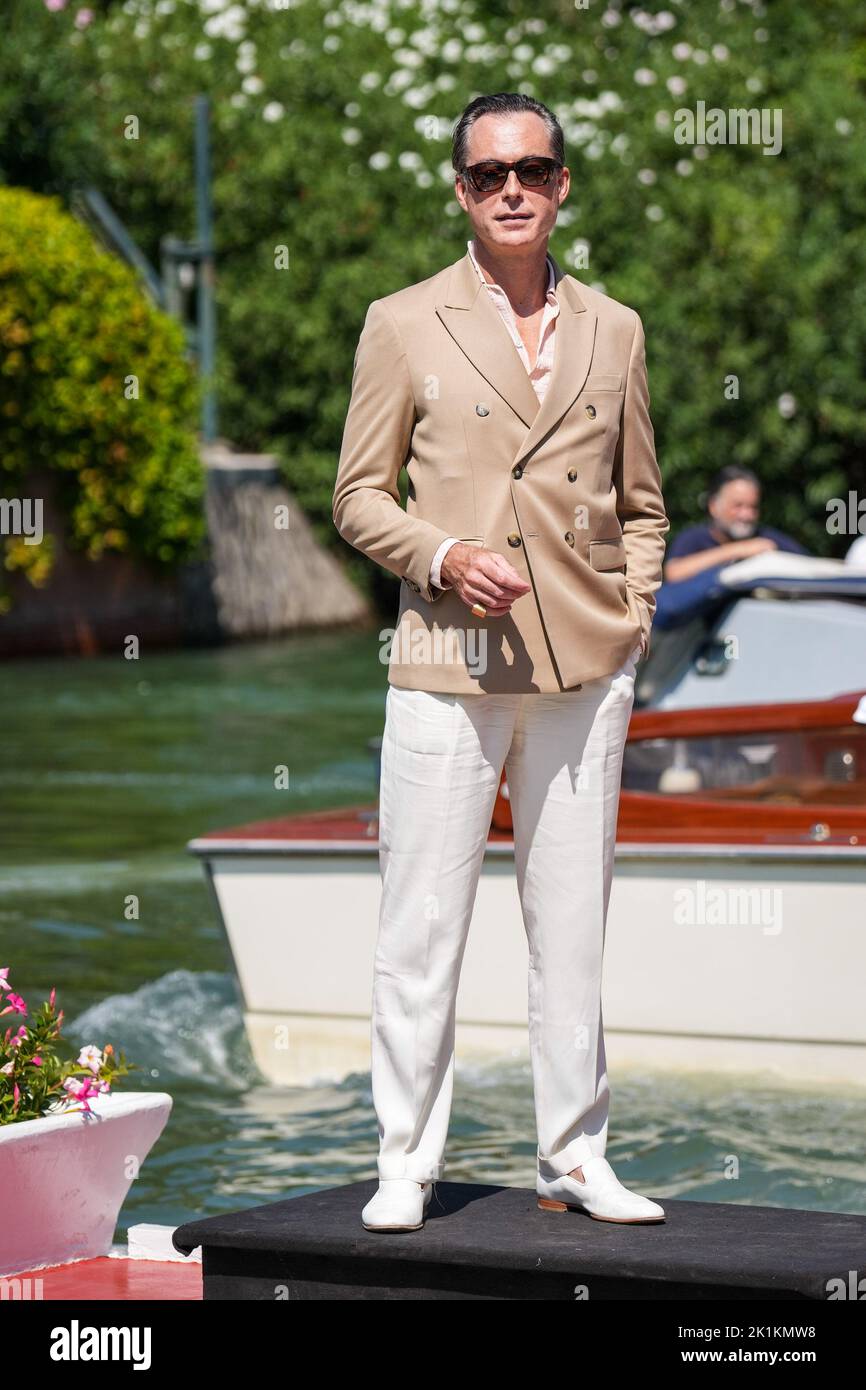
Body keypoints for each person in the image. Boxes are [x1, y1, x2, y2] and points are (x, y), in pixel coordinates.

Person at [332, 92, 669, 1232]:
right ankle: (402, 1162)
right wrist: (439, 554)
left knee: (570, 933)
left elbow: (643, 502)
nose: (511, 188)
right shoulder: (398, 320)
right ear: (461, 190)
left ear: (561, 183)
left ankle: (574, 1157)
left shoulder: (615, 328)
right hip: (445, 662)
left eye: (530, 169)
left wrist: (631, 617)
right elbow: (355, 498)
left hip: (585, 668)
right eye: (487, 174)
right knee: (420, 930)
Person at [664, 465, 808, 583]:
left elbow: (811, 569)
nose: (746, 515)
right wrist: (739, 550)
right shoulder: (693, 538)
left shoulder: (767, 540)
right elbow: (674, 573)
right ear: (714, 506)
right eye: (738, 506)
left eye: (753, 507)